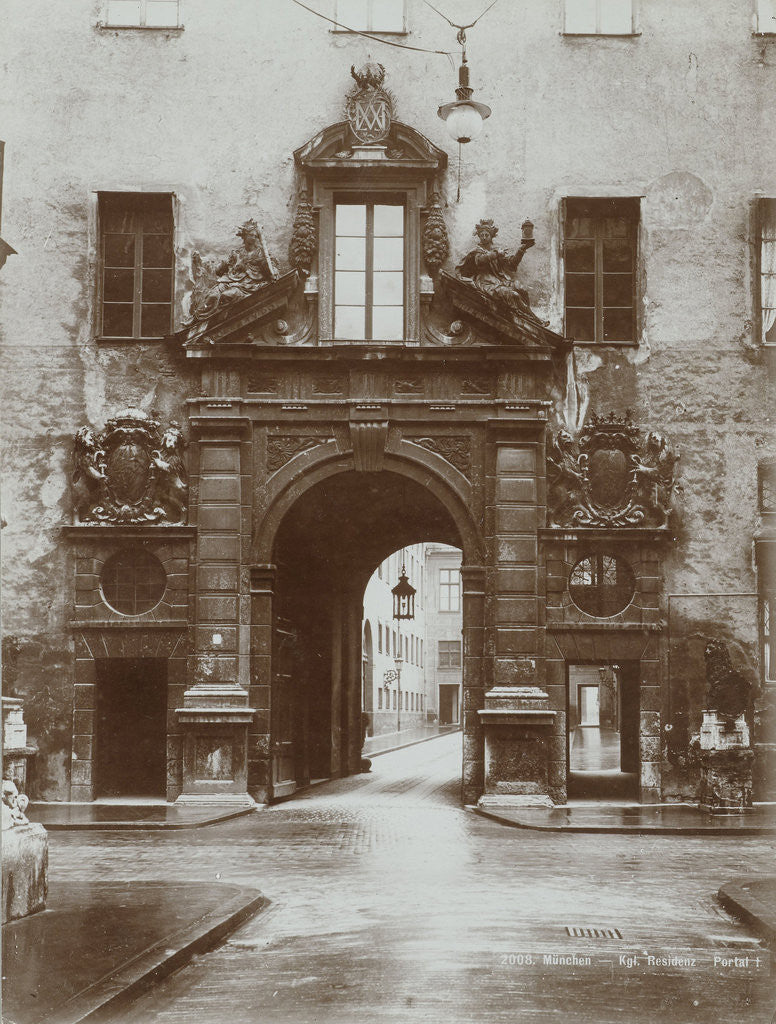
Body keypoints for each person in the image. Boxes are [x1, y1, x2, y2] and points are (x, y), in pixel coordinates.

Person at [456, 219, 542, 324]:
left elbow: (511, 265)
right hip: (485, 282)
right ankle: (531, 320)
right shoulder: (477, 251)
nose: (483, 237)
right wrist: (496, 254)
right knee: (513, 295)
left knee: (522, 289)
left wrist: (522, 249)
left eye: (486, 235)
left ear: (491, 236)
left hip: (500, 281)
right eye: (481, 235)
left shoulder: (497, 250)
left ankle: (531, 317)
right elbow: (480, 260)